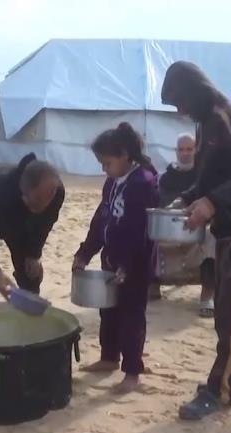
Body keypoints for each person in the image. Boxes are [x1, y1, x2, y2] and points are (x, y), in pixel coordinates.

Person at [159, 61, 231, 420]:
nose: (179, 111)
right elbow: (211, 174)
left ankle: (219, 389)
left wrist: (212, 202)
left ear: (195, 92)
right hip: (229, 231)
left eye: (179, 102)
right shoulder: (206, 123)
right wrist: (190, 196)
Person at [74, 122, 158, 394]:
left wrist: (127, 265)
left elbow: (141, 230)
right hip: (111, 259)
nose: (103, 168)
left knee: (132, 315)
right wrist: (85, 252)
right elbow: (101, 220)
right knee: (108, 310)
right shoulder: (112, 183)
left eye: (107, 162)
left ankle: (132, 371)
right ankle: (109, 357)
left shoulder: (143, 183)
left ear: (124, 155)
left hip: (136, 263)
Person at [0, 153, 64, 301]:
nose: (44, 205)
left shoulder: (55, 193)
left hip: (24, 225)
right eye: (37, 200)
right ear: (23, 191)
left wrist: (34, 253)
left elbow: (44, 226)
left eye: (48, 198)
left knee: (30, 272)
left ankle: (29, 313)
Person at [150, 133, 216, 317]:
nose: (185, 153)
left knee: (213, 237)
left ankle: (207, 295)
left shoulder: (204, 176)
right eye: (181, 149)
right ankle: (152, 285)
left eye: (189, 149)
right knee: (145, 232)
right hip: (168, 231)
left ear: (196, 151)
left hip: (196, 230)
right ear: (176, 151)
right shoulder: (165, 178)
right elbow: (159, 203)